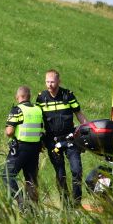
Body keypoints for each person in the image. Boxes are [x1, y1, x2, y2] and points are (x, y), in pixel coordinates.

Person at [36, 69, 88, 208]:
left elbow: (79, 114)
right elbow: (37, 119)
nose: (50, 84)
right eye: (47, 81)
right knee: (60, 173)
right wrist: (38, 138)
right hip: (52, 141)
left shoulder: (68, 95)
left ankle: (76, 203)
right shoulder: (41, 98)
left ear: (59, 81)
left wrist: (88, 130)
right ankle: (65, 204)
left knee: (77, 170)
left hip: (71, 139)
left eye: (52, 81)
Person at [5, 85, 44, 208]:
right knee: (31, 179)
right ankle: (33, 210)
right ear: (29, 96)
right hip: (35, 149)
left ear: (18, 97)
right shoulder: (38, 110)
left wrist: (8, 132)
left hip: (20, 148)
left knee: (7, 175)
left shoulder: (17, 109)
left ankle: (21, 202)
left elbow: (9, 131)